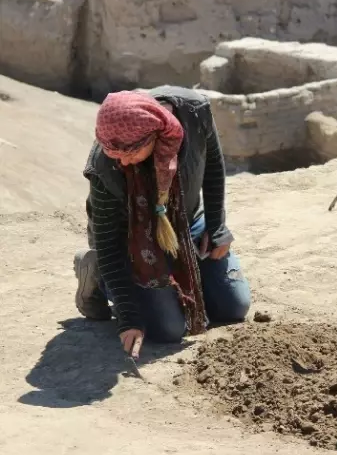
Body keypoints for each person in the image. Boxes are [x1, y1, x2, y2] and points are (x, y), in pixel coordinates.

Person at [73, 86, 251, 359]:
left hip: (187, 224)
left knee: (233, 307)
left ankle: (187, 272)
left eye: (130, 152)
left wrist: (216, 228)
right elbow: (110, 245)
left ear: (155, 135)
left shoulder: (195, 113)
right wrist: (129, 318)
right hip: (131, 243)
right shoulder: (105, 165)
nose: (121, 160)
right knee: (168, 330)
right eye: (113, 153)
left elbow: (212, 166)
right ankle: (98, 275)